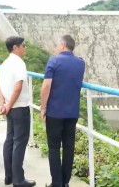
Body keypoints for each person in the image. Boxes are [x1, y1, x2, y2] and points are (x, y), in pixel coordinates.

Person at [40, 35, 85, 187]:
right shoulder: (80, 63)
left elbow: (46, 86)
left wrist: (43, 107)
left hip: (55, 113)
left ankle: (56, 183)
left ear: (63, 45)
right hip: (72, 113)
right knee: (68, 148)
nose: (55, 48)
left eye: (57, 45)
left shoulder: (54, 61)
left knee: (53, 148)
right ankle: (65, 182)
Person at [0, 36, 36, 187]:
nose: (25, 48)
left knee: (10, 140)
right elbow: (18, 86)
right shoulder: (19, 63)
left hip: (10, 107)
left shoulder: (4, 64)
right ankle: (19, 180)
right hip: (19, 107)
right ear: (15, 47)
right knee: (19, 143)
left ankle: (9, 177)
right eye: (23, 46)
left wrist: (4, 104)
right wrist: (9, 105)